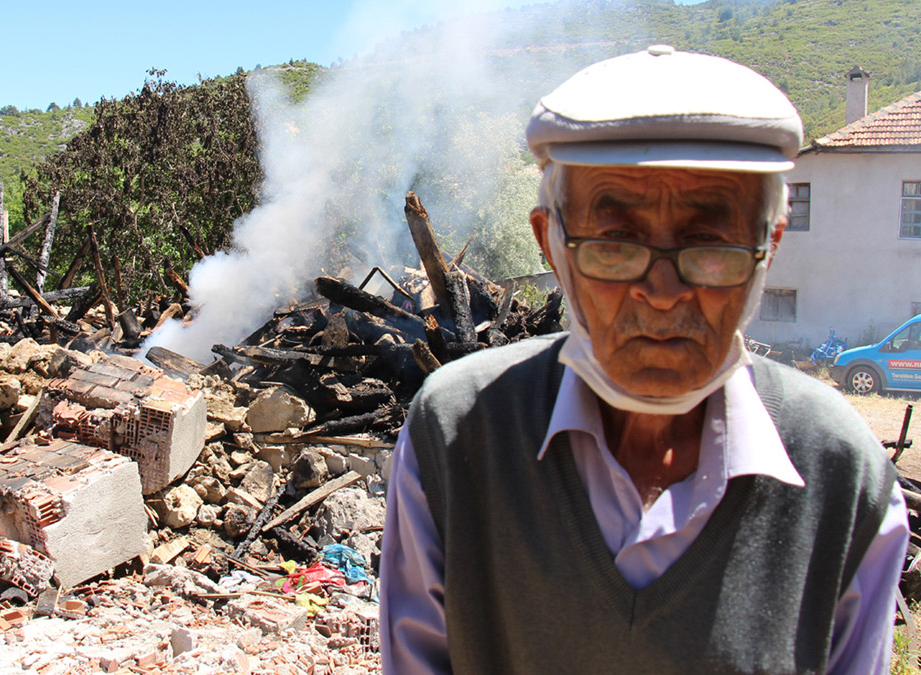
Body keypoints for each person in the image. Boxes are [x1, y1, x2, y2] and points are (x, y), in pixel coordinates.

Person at [379, 46, 909, 674]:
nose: (661, 293)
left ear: (770, 244)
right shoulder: (459, 435)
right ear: (551, 242)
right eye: (613, 242)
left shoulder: (841, 474)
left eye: (710, 243)